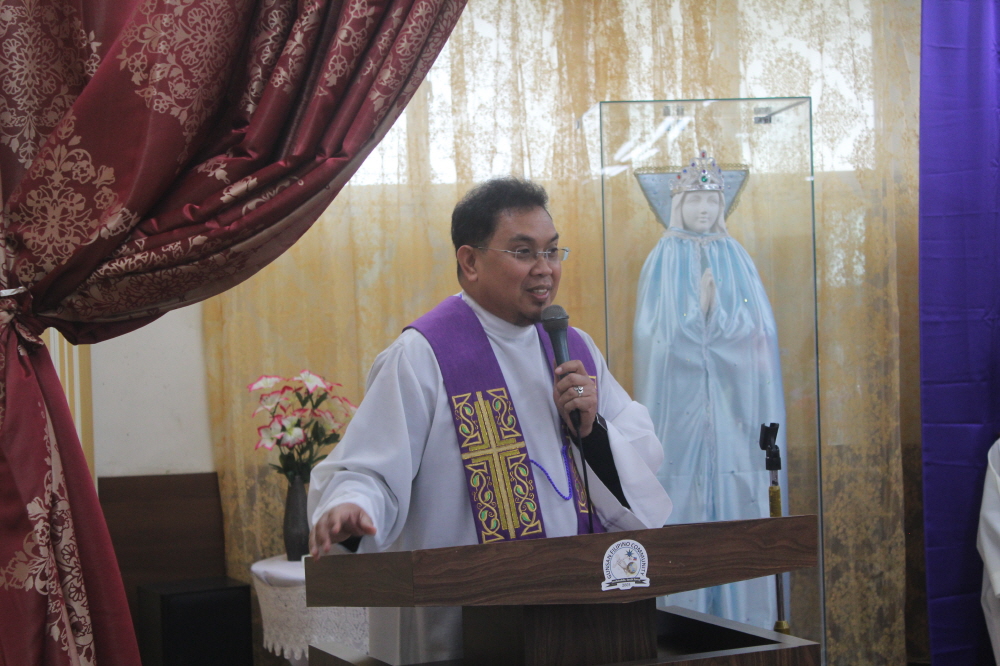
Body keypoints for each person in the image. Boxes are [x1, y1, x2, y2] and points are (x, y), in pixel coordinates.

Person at [307, 177, 672, 664]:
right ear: (470, 261)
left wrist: (593, 432)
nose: (545, 269)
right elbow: (369, 469)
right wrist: (350, 507)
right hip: (460, 625)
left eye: (553, 251)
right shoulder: (422, 357)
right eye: (523, 252)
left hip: (574, 618)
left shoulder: (574, 348)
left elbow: (642, 452)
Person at [632, 153, 787, 628]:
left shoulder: (736, 257)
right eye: (694, 199)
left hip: (734, 411)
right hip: (680, 412)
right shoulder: (663, 259)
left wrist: (722, 324)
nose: (703, 209)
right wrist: (694, 319)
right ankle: (684, 621)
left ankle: (749, 622)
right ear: (678, 204)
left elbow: (761, 336)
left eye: (711, 200)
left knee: (740, 492)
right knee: (682, 494)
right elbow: (654, 339)